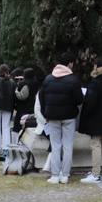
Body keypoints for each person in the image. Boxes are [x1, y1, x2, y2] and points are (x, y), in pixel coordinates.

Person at [39, 53, 84, 184]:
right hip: (69, 116)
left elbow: (42, 98)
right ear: (70, 63)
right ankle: (65, 175)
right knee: (67, 145)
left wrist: (45, 114)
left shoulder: (48, 79)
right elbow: (79, 99)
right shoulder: (73, 80)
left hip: (52, 116)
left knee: (55, 145)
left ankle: (54, 174)